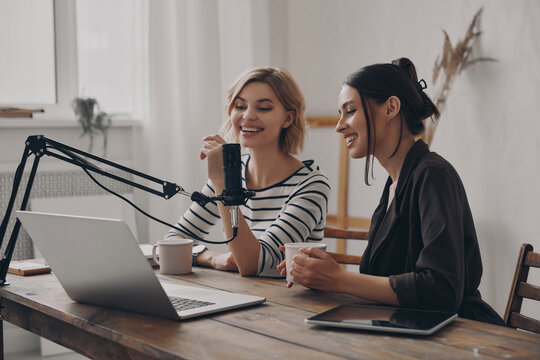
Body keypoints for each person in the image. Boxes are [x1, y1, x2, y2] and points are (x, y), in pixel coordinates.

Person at [277, 58, 504, 325]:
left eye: (349, 111)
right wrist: (322, 277)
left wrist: (340, 279)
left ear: (391, 108)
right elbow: (383, 281)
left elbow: (441, 290)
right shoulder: (394, 184)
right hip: (405, 332)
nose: (339, 125)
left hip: (460, 336)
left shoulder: (433, 175)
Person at [166, 67, 330, 277]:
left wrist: (222, 185)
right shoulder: (230, 176)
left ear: (288, 118)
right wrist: (214, 258)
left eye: (263, 108)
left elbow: (256, 263)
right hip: (245, 297)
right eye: (240, 106)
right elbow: (172, 241)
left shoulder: (312, 185)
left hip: (292, 304)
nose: (248, 115)